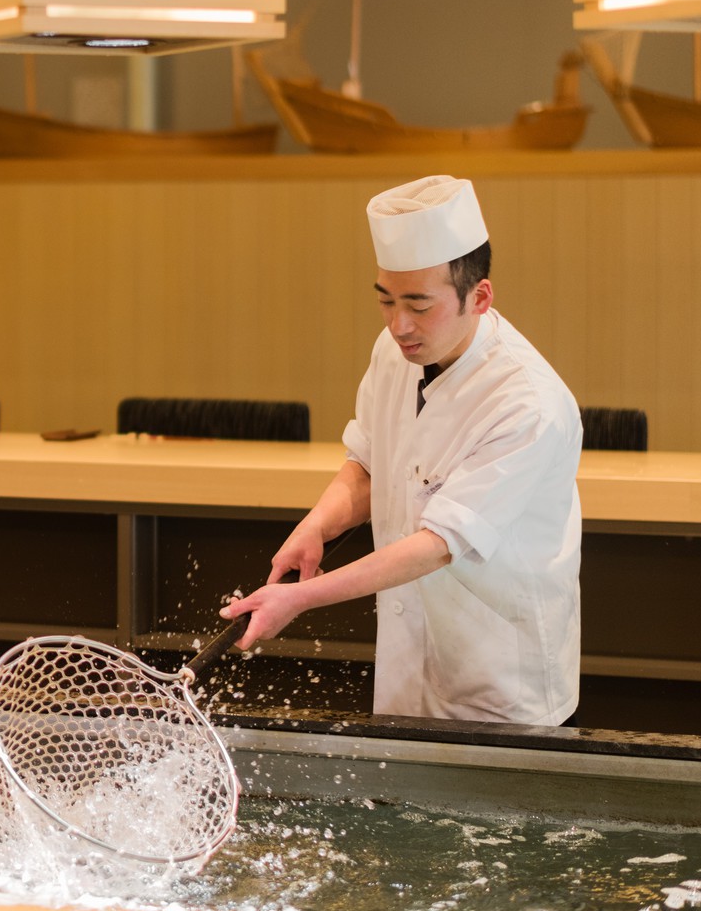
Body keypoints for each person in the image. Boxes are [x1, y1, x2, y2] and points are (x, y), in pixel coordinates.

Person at [218, 175, 581, 726]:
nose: (398, 325)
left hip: (500, 676)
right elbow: (367, 465)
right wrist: (318, 524)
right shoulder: (394, 353)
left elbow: (440, 543)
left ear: (479, 297)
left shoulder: (528, 402)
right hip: (409, 660)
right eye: (386, 301)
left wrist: (300, 599)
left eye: (418, 304)